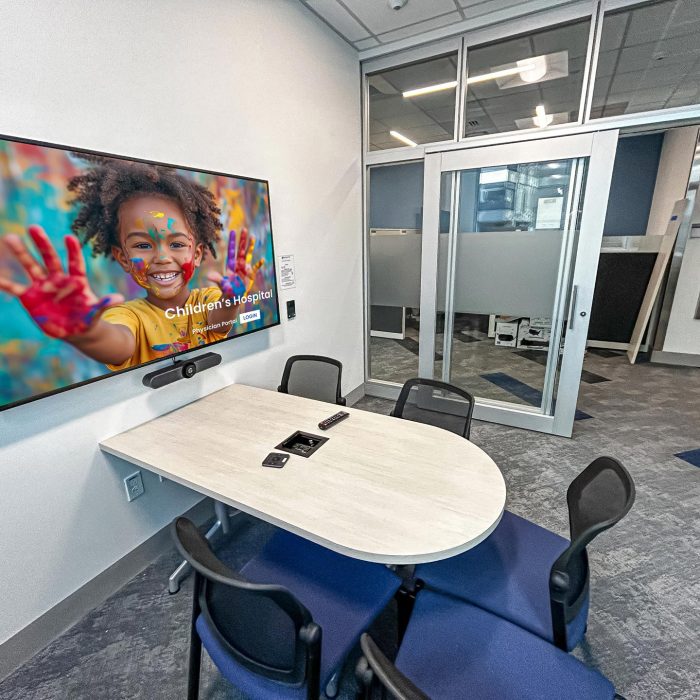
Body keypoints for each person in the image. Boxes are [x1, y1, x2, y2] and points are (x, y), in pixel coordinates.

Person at [0, 154, 262, 370]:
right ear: (123, 258)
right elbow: (117, 342)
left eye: (177, 244)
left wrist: (232, 300)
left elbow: (222, 317)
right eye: (143, 245)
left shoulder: (206, 300)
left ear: (196, 253)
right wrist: (85, 333)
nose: (161, 257)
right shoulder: (128, 316)